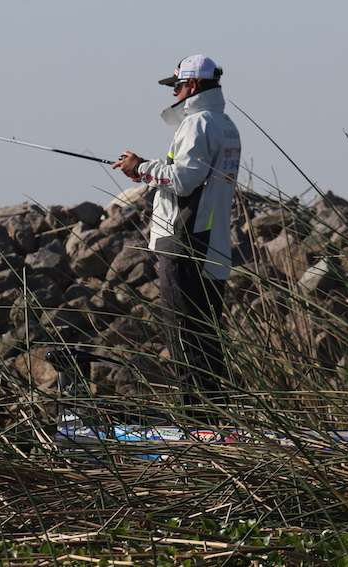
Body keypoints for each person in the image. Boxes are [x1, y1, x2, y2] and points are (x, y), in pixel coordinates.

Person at [112, 54, 242, 409]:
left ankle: (199, 428)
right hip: (211, 244)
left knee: (185, 339)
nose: (174, 95)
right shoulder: (225, 124)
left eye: (178, 87)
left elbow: (184, 180)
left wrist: (140, 168)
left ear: (193, 86)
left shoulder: (197, 123)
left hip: (184, 242)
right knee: (207, 339)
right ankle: (215, 419)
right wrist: (147, 169)